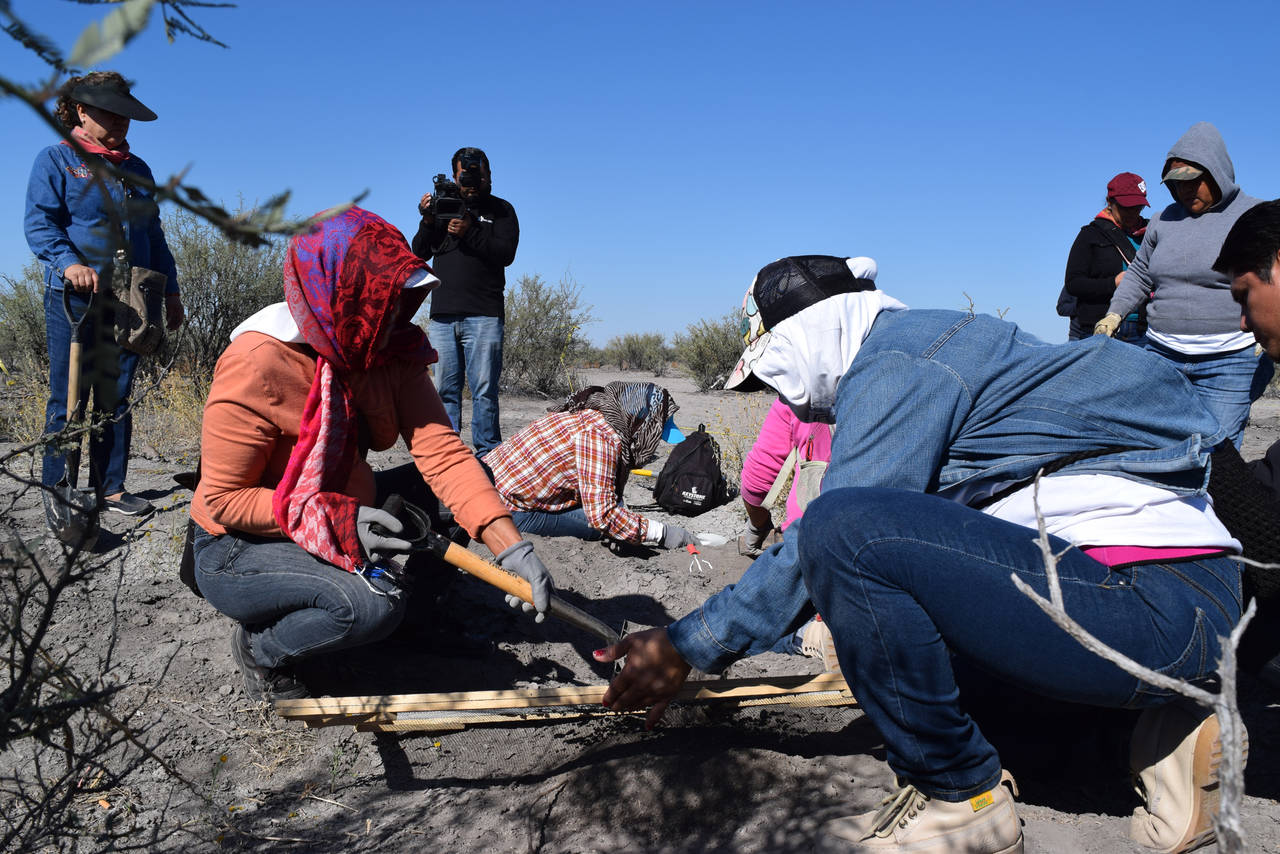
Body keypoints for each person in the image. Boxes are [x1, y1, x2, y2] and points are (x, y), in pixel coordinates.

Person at [597, 254, 1241, 854]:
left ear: (807, 338)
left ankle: (964, 799)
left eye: (773, 372)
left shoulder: (899, 363)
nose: (782, 397)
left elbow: (823, 542)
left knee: (840, 528)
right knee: (935, 679)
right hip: (1174, 604)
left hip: (1145, 608)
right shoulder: (939, 344)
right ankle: (1152, 734)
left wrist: (690, 642)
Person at [190, 207, 553, 702]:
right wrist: (336, 518)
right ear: (341, 292)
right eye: (380, 300)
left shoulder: (388, 350)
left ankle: (419, 620)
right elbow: (225, 501)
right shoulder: (259, 362)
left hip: (340, 505)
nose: (395, 315)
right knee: (371, 604)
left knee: (451, 490)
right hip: (239, 544)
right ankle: (261, 649)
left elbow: (442, 454)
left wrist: (512, 547)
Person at [25, 71, 184, 517]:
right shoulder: (57, 160)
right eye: (109, 114)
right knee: (69, 394)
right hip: (74, 297)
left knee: (115, 392)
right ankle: (58, 489)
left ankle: (110, 488)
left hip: (131, 297)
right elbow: (41, 224)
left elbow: (154, 233)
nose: (120, 123)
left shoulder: (137, 169)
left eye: (125, 116)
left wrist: (170, 290)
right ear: (81, 110)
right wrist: (68, 263)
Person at [1095, 122, 1272, 448]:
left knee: (1218, 455)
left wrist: (1269, 327)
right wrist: (1114, 314)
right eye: (1177, 185)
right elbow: (1139, 274)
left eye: (1194, 182)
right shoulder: (1163, 221)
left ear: (1216, 173)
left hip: (1229, 359)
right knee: (1159, 447)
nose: (1186, 191)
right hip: (1162, 355)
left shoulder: (1254, 214)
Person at [484, 382, 697, 549]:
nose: (654, 441)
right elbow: (602, 517)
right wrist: (662, 533)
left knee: (619, 511)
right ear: (641, 424)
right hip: (504, 509)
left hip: (482, 483)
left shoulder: (594, 412)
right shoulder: (601, 439)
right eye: (655, 432)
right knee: (603, 526)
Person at [411, 147, 518, 457]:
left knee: (484, 391)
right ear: (455, 176)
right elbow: (419, 253)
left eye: (479, 175)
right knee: (445, 392)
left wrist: (471, 230)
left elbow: (505, 254)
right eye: (465, 175)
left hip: (484, 314)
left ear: (489, 176)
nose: (473, 181)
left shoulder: (501, 210)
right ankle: (449, 455)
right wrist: (428, 220)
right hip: (443, 315)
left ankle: (487, 454)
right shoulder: (445, 206)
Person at [1059, 172, 1150, 342]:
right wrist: (1113, 283)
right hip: (1098, 328)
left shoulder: (1151, 233)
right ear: (1110, 202)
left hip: (1143, 330)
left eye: (1138, 207)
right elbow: (1073, 283)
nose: (1132, 212)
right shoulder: (1090, 235)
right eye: (1126, 207)